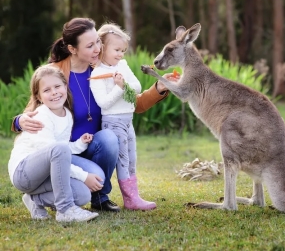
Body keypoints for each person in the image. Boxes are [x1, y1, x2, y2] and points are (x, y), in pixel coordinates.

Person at [11, 17, 174, 212]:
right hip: (66, 151)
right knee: (89, 178)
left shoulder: (103, 69)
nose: (98, 48)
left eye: (98, 41)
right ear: (73, 49)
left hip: (90, 144)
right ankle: (47, 195)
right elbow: (36, 109)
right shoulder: (55, 73)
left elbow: (133, 104)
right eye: (90, 45)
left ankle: (100, 197)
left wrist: (158, 88)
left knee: (109, 138)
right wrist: (19, 121)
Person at [8, 65, 100, 222]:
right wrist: (84, 176)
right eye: (47, 90)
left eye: (57, 86)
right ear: (38, 96)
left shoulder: (66, 115)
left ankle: (35, 200)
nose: (54, 92)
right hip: (24, 173)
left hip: (45, 176)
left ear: (65, 86)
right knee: (61, 152)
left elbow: (61, 153)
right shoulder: (41, 116)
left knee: (82, 194)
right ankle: (65, 210)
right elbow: (57, 150)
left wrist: (79, 144)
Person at [90, 23, 156, 210]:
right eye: (116, 49)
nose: (120, 54)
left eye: (123, 51)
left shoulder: (123, 66)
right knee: (123, 160)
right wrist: (119, 88)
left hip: (128, 120)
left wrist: (123, 83)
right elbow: (104, 103)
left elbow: (137, 87)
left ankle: (133, 198)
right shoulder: (98, 74)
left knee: (132, 157)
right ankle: (130, 199)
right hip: (113, 122)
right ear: (102, 48)